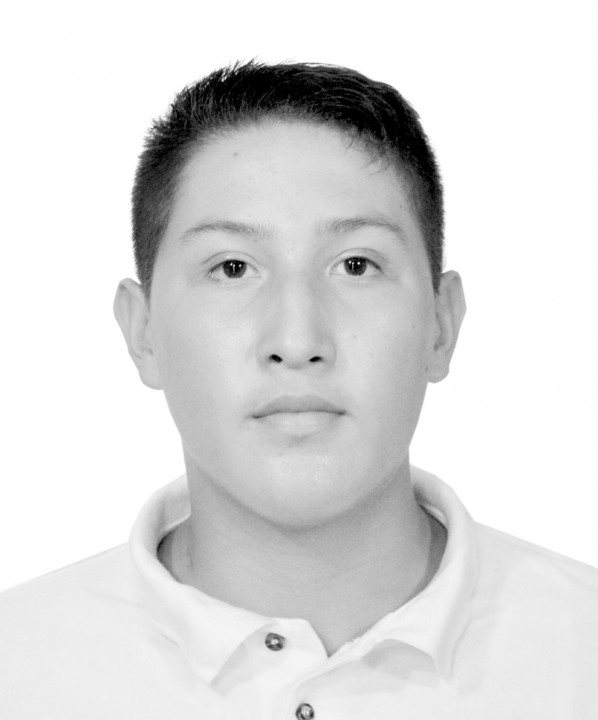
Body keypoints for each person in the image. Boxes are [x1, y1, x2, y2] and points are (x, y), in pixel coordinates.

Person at [1, 60, 597, 719]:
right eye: (232, 267)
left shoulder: (581, 652)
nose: (296, 338)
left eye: (356, 265)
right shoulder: (18, 667)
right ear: (143, 332)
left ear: (441, 324)